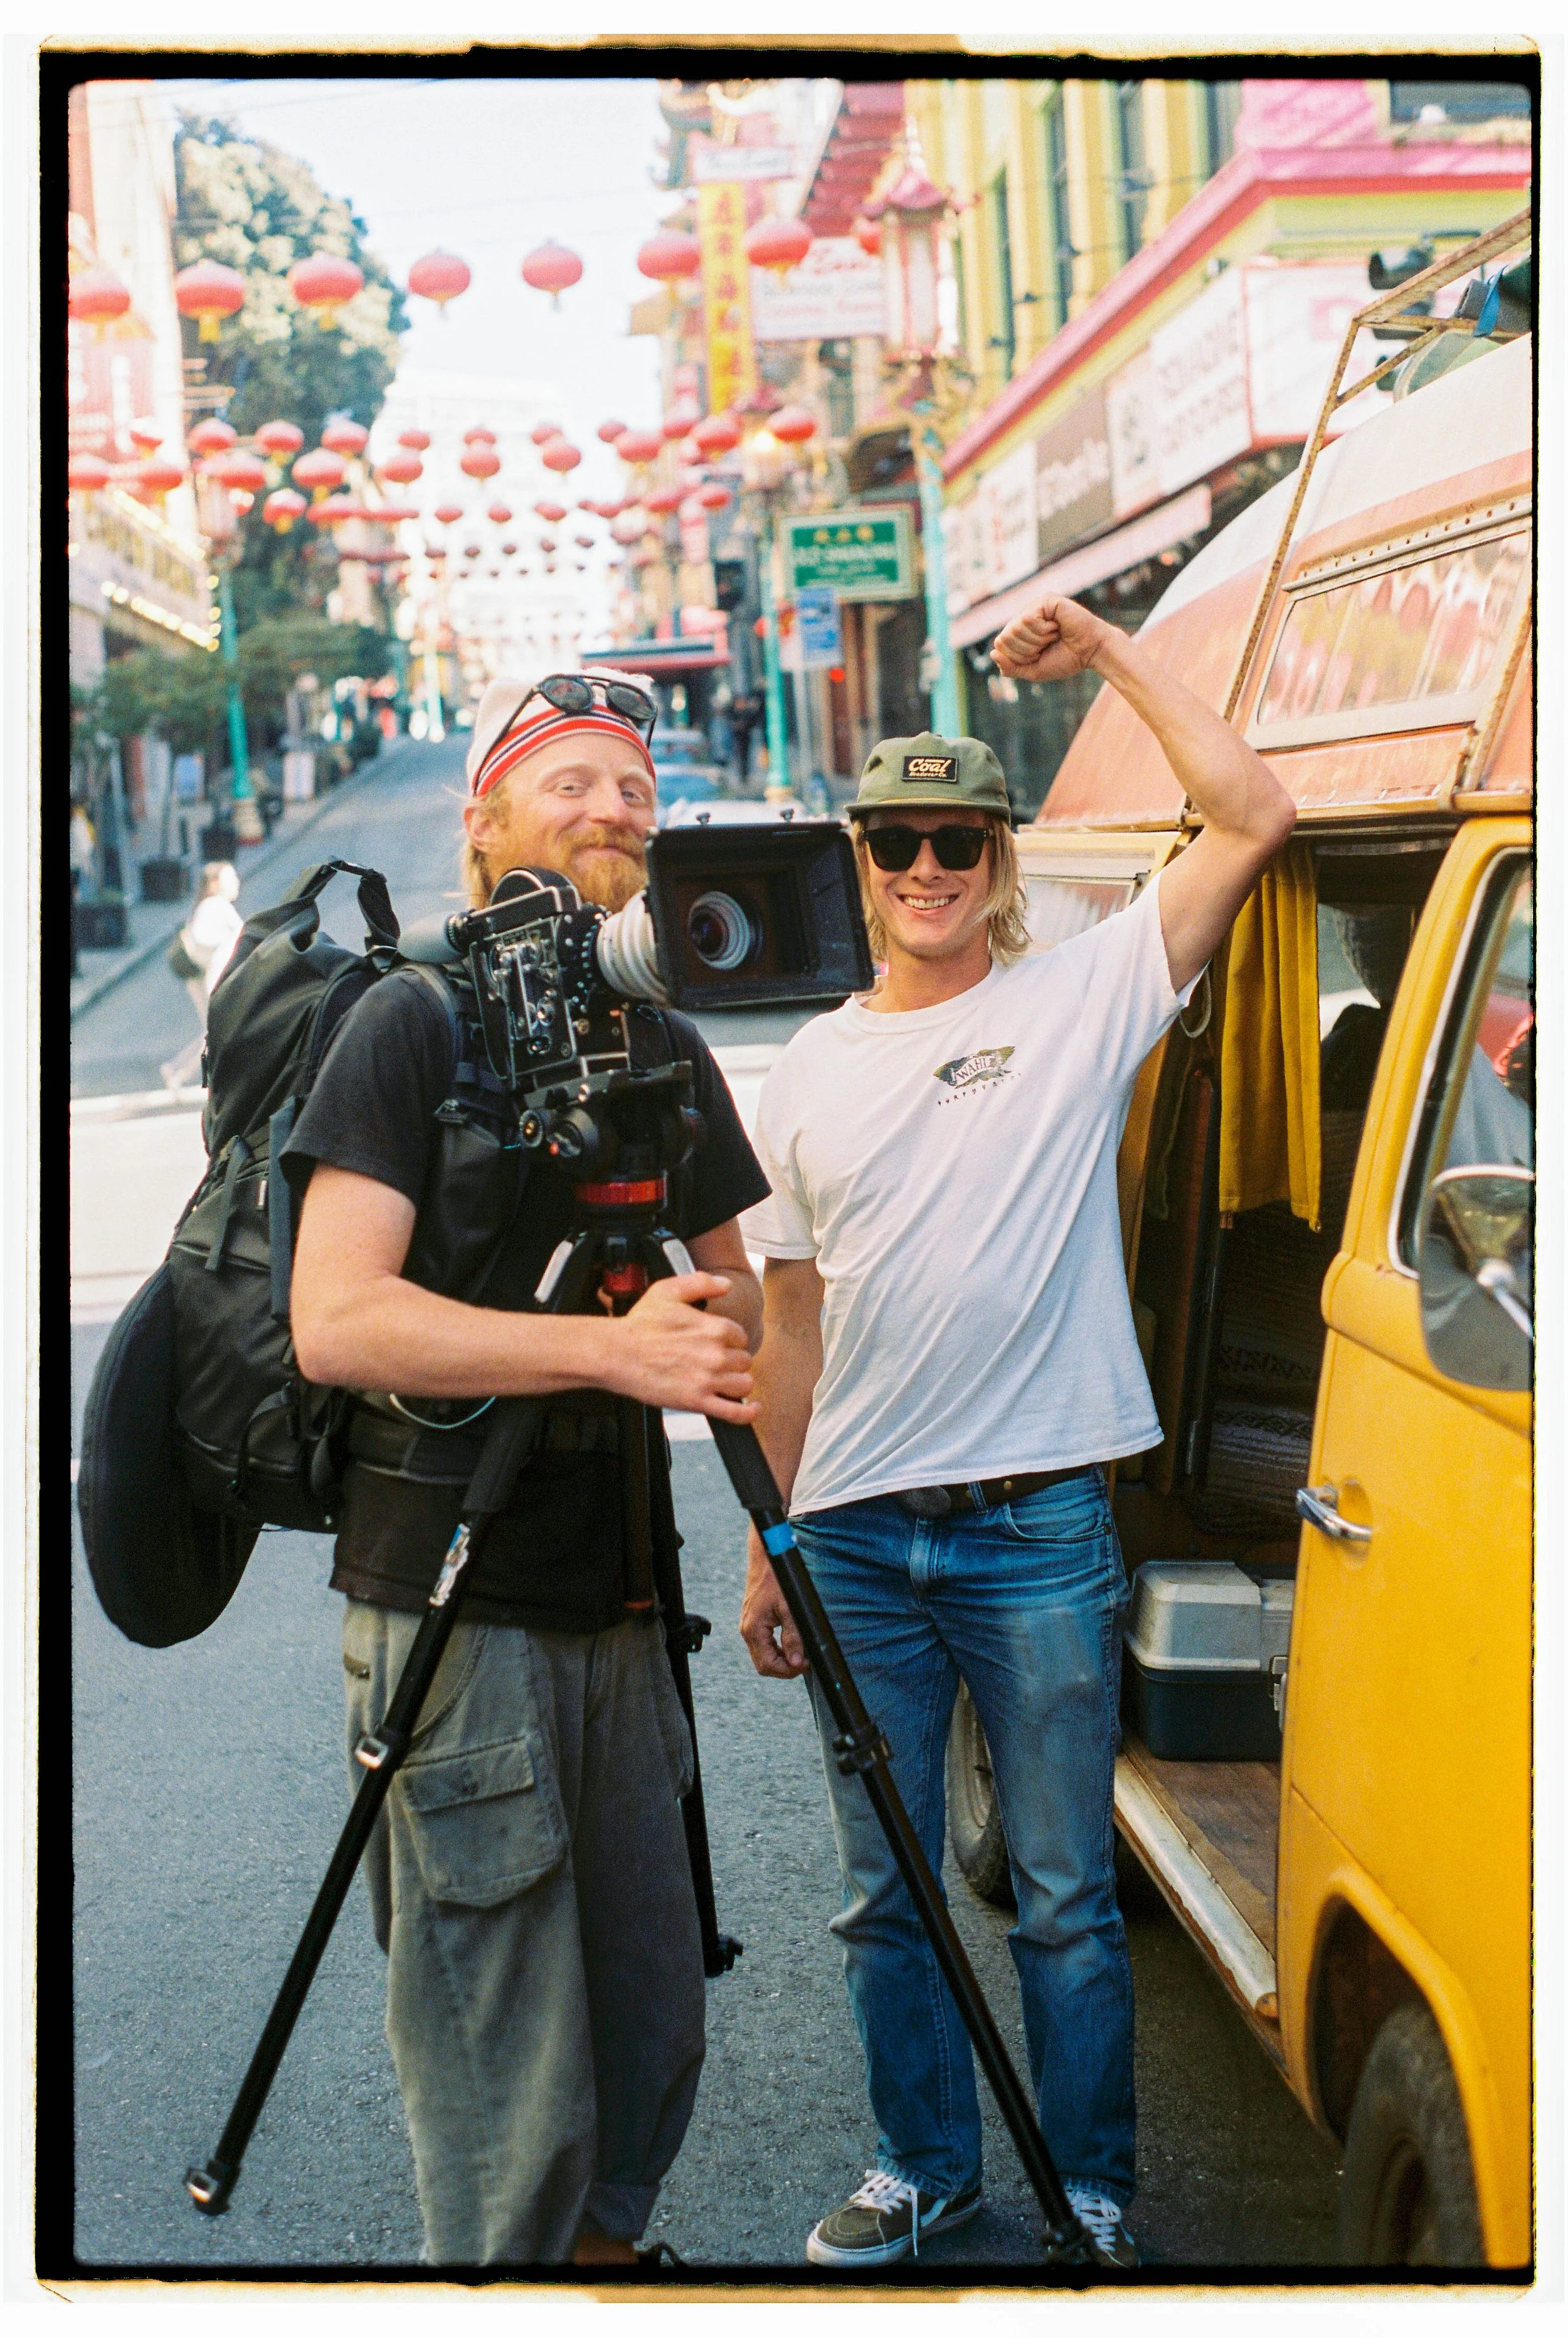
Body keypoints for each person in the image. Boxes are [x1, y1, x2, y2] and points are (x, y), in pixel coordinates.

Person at [738, 593, 1297, 2270]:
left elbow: (1256, 812)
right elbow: (788, 1325)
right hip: (853, 1536)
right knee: (884, 1891)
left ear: (999, 856)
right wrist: (776, 1541)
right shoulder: (808, 1072)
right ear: (860, 860)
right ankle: (923, 2167)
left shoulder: (1080, 997)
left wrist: (1113, 651)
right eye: (897, 841)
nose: (927, 868)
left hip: (1034, 1525)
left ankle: (1089, 2190)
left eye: (957, 841)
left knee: (1061, 1896)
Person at [282, 671, 771, 2267]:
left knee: (647, 2027)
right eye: (569, 784)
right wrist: (606, 1349)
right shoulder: (405, 1021)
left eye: (633, 791)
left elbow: (740, 1297)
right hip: (453, 1605)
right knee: (512, 2072)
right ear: (480, 819)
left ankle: (607, 2264)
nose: (613, 814)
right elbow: (338, 1318)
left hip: (628, 1600)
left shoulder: (661, 1034)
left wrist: (703, 1341)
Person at [179, 861, 243, 1026]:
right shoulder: (216, 906)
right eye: (230, 878)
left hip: (212, 985)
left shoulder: (207, 906)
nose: (236, 882)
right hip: (219, 986)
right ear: (214, 884)